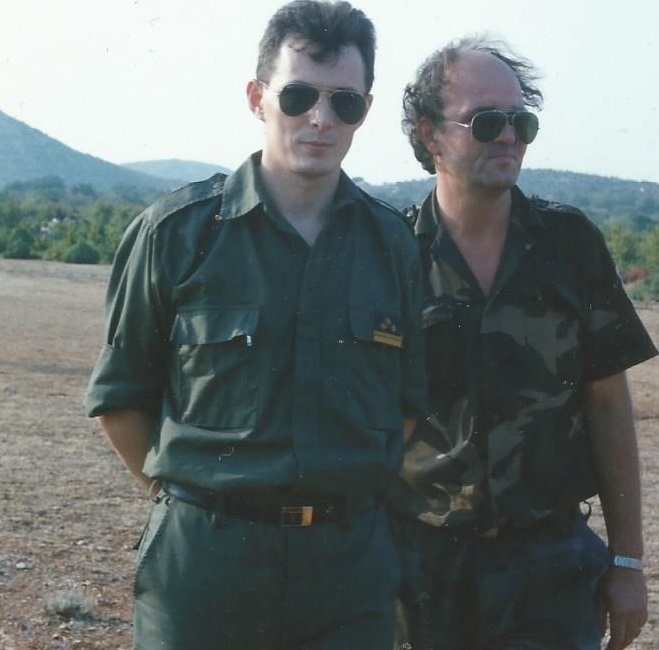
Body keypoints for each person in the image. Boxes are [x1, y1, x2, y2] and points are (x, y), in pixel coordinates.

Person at [84, 2, 426, 648]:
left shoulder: (392, 246)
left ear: (365, 110)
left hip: (349, 569)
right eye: (298, 96)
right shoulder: (176, 233)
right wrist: (197, 501)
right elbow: (121, 400)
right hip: (206, 563)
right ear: (256, 98)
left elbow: (407, 405)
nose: (320, 119)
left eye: (344, 103)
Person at [391, 36, 658, 650]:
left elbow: (609, 408)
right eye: (487, 122)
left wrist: (627, 563)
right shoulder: (392, 257)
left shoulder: (570, 243)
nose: (509, 136)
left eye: (522, 121)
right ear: (430, 134)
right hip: (420, 571)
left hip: (550, 570)